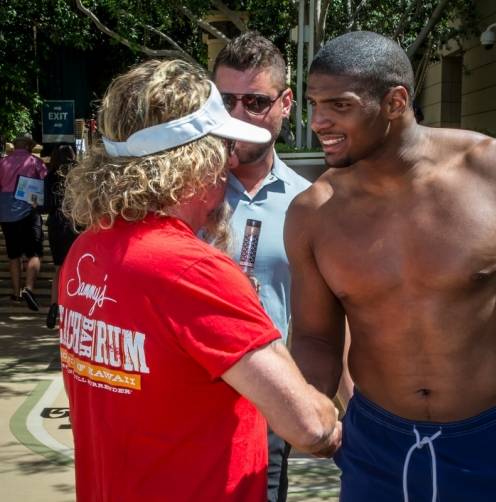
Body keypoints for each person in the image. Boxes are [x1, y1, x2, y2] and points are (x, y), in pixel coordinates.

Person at [286, 31, 496, 502]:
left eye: (339, 105)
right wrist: (310, 407)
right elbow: (317, 337)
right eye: (315, 103)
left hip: (495, 441)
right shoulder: (313, 212)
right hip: (377, 445)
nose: (319, 122)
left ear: (395, 101)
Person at [59, 59, 340, 502]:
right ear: (194, 163)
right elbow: (311, 428)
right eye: (222, 151)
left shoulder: (88, 250)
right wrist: (334, 415)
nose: (229, 166)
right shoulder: (193, 271)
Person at [212, 31, 315, 502]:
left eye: (254, 102)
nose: (236, 116)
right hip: (185, 402)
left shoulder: (309, 203)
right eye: (225, 100)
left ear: (285, 103)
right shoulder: (184, 194)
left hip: (265, 408)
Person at [0, 134, 47, 310]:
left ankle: (16, 293)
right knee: (34, 253)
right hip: (29, 211)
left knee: (13, 255)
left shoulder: (2, 162)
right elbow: (44, 183)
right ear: (28, 146)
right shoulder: (35, 162)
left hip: (6, 214)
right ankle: (29, 288)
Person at [43, 144, 78, 328]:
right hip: (75, 223)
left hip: (56, 223)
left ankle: (53, 307)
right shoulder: (79, 177)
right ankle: (71, 309)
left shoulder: (49, 177)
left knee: (58, 268)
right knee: (74, 268)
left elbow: (45, 206)